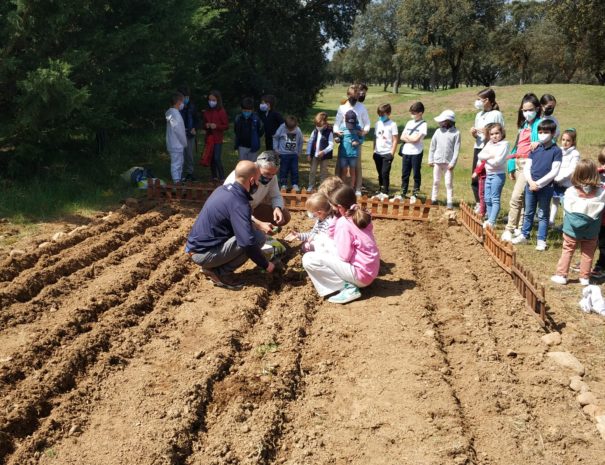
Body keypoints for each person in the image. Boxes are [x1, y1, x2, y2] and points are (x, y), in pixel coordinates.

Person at [186, 160, 276, 290]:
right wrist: (266, 264)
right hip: (203, 254)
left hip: (196, 248)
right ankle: (221, 273)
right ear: (251, 180)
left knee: (251, 231)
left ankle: (215, 266)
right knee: (257, 238)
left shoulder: (222, 190)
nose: (257, 184)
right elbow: (247, 243)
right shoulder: (239, 203)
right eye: (257, 180)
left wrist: (256, 225)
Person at [302, 185, 380, 304]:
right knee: (321, 240)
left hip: (361, 275)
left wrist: (325, 254)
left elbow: (344, 256)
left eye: (332, 206)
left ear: (339, 208)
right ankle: (348, 283)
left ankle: (347, 287)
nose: (330, 209)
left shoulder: (344, 223)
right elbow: (331, 236)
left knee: (309, 259)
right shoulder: (359, 216)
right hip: (370, 271)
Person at [550, 159, 605, 286]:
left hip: (572, 230)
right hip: (591, 231)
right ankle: (584, 278)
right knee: (588, 253)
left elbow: (566, 206)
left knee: (567, 250)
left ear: (577, 174)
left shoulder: (571, 191)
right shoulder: (601, 193)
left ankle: (561, 275)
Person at [512, 119, 562, 251]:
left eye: (545, 132)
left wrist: (539, 184)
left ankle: (541, 240)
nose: (542, 134)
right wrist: (530, 182)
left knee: (543, 213)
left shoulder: (556, 150)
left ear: (552, 133)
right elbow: (527, 167)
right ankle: (525, 234)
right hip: (530, 185)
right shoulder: (535, 148)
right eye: (540, 132)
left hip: (545, 188)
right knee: (528, 212)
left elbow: (554, 172)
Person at [501, 93, 543, 242]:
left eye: (530, 109)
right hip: (518, 163)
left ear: (537, 108)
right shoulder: (524, 125)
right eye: (524, 110)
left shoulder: (540, 124)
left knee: (515, 197)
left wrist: (539, 143)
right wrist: (511, 166)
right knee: (524, 199)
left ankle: (509, 229)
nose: (526, 113)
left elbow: (548, 140)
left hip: (529, 164)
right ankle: (520, 228)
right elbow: (516, 147)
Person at [224, 150, 291, 231]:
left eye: (273, 174)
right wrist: (258, 224)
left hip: (253, 208)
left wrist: (277, 208)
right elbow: (235, 210)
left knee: (285, 215)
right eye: (266, 174)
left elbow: (276, 195)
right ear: (257, 167)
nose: (270, 177)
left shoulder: (272, 176)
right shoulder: (240, 177)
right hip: (234, 213)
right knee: (253, 236)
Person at [470, 89, 505, 211]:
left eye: (480, 99)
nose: (477, 102)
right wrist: (474, 133)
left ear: (487, 100)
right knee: (475, 176)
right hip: (479, 148)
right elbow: (477, 136)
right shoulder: (479, 114)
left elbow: (500, 133)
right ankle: (479, 203)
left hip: (490, 149)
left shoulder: (496, 114)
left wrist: (487, 134)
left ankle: (488, 205)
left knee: (487, 178)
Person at [334, 84, 370, 196]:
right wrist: (337, 131)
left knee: (356, 166)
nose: (354, 99)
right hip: (344, 139)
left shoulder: (361, 107)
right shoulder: (342, 107)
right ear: (348, 95)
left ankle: (357, 188)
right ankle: (337, 186)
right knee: (340, 164)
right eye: (352, 96)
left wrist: (364, 131)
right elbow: (337, 123)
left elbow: (367, 122)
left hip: (356, 139)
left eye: (356, 97)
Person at [393, 101, 427, 203]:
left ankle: (415, 193)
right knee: (405, 173)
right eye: (411, 113)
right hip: (406, 151)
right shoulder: (409, 123)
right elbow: (402, 137)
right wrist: (410, 139)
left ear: (420, 113)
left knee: (416, 173)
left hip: (416, 152)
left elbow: (417, 139)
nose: (412, 115)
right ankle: (403, 192)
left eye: (414, 113)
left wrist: (409, 138)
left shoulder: (423, 125)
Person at [477, 123, 509, 228]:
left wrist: (486, 159)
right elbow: (480, 155)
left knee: (494, 198)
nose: (494, 136)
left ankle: (491, 221)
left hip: (498, 175)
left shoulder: (504, 144)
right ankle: (490, 220)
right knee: (487, 198)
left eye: (497, 133)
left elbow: (498, 162)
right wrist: (491, 156)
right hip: (489, 174)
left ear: (502, 133)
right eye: (491, 134)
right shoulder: (490, 143)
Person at [429, 110, 460, 210]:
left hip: (448, 163)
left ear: (448, 121)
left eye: (442, 121)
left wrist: (453, 162)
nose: (440, 123)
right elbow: (432, 146)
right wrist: (431, 159)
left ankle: (449, 202)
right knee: (436, 181)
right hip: (437, 162)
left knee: (448, 183)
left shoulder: (456, 133)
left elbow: (456, 150)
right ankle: (434, 199)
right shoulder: (438, 131)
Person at [550, 128, 580, 227]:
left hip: (567, 184)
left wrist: (560, 178)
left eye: (568, 140)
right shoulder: (559, 150)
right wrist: (554, 176)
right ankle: (551, 221)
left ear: (573, 141)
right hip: (556, 181)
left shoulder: (575, 154)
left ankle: (565, 224)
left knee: (565, 204)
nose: (565, 142)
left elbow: (572, 169)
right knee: (554, 201)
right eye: (563, 140)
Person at [202, 90, 229, 182]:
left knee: (217, 158)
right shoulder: (206, 111)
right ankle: (214, 176)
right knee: (211, 157)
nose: (211, 102)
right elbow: (203, 123)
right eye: (210, 100)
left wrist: (216, 126)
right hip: (209, 138)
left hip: (217, 138)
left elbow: (226, 125)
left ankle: (222, 177)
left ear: (217, 100)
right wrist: (206, 125)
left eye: (213, 100)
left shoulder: (221, 111)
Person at [273, 115, 304, 192]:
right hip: (283, 154)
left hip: (294, 154)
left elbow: (300, 141)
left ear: (296, 125)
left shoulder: (298, 130)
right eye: (288, 129)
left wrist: (299, 152)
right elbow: (276, 138)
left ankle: (295, 184)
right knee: (283, 170)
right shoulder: (281, 128)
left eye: (292, 129)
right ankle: (283, 185)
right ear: (285, 125)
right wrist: (276, 149)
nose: (290, 130)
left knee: (294, 170)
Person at [177, 86, 201, 181]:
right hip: (179, 135)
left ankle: (190, 173)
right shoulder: (177, 107)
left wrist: (195, 128)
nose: (186, 99)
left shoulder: (192, 106)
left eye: (187, 97)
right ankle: (180, 174)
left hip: (190, 135)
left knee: (189, 154)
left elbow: (197, 120)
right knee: (180, 154)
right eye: (184, 97)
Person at [306, 112, 334, 192]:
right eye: (316, 126)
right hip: (314, 155)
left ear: (324, 123)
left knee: (323, 172)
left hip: (324, 157)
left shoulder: (329, 132)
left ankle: (322, 188)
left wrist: (324, 152)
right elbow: (310, 142)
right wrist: (308, 153)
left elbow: (331, 145)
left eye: (319, 126)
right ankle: (311, 186)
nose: (317, 127)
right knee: (312, 171)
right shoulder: (314, 131)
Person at [165, 92, 187, 184]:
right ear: (179, 102)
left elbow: (174, 126)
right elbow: (178, 131)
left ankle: (178, 180)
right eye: (183, 101)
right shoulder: (176, 115)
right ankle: (176, 182)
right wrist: (184, 142)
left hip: (172, 142)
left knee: (178, 163)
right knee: (177, 164)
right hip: (177, 143)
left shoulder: (170, 113)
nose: (183, 103)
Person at [339, 110, 364, 189]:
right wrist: (337, 138)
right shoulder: (342, 127)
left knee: (353, 171)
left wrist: (358, 142)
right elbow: (339, 137)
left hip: (353, 154)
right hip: (344, 153)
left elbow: (362, 138)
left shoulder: (358, 127)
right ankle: (343, 187)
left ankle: (351, 187)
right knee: (344, 171)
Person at [234, 97, 264, 161]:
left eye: (248, 111)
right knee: (243, 164)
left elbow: (260, 131)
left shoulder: (256, 119)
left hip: (253, 146)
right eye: (244, 111)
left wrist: (256, 139)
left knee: (252, 165)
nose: (246, 113)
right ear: (241, 109)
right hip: (242, 146)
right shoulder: (238, 119)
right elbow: (236, 130)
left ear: (252, 110)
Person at [591, 147, 605, 278]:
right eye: (602, 163)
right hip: (597, 216)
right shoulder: (599, 174)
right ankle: (587, 261)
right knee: (592, 240)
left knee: (603, 245)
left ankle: (601, 266)